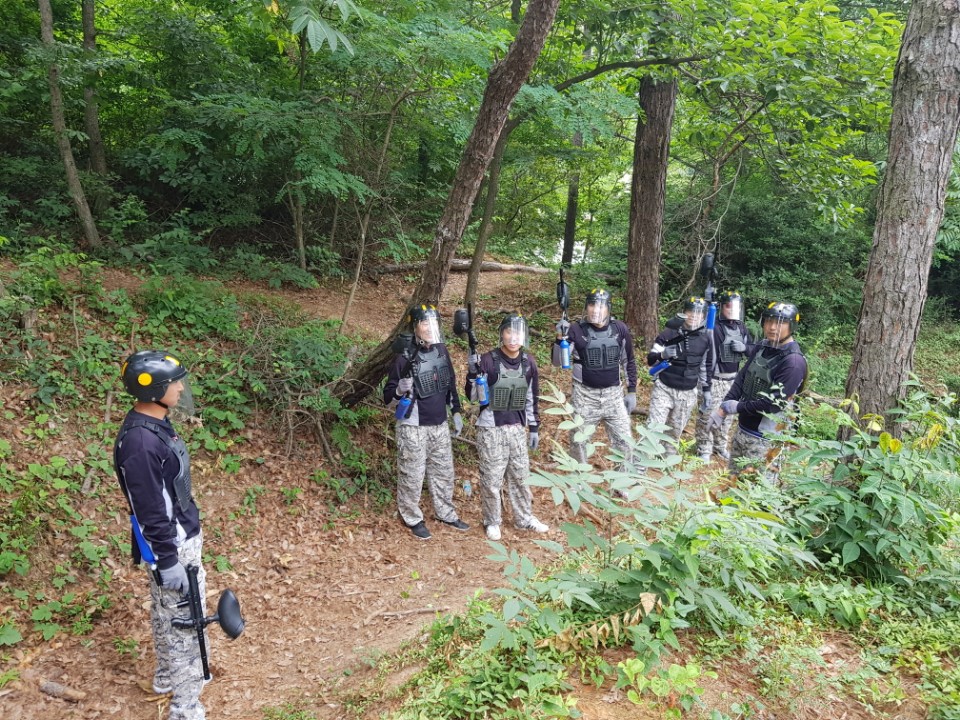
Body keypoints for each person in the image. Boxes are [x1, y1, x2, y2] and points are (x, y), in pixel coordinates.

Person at [113, 351, 209, 720]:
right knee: (186, 623)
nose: (181, 388)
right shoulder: (141, 444)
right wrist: (168, 561)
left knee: (166, 611)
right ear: (152, 390)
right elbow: (150, 509)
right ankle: (185, 707)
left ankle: (168, 675)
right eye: (174, 383)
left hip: (175, 540)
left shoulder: (154, 424)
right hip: (173, 547)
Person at [384, 305, 469, 540]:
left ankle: (445, 513)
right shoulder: (404, 357)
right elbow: (387, 398)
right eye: (424, 323)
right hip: (413, 426)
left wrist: (456, 411)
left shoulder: (441, 351)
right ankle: (412, 517)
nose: (430, 328)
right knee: (412, 475)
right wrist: (400, 390)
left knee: (444, 472)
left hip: (439, 424)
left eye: (433, 323)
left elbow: (450, 383)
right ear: (415, 327)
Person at [465, 313, 549, 541]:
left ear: (524, 336)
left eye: (518, 333)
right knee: (492, 479)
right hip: (491, 427)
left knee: (521, 477)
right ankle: (492, 521)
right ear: (501, 334)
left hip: (517, 427)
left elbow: (532, 397)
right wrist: (473, 373)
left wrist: (534, 427)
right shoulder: (488, 360)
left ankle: (524, 518)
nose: (513, 338)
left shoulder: (528, 362)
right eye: (509, 332)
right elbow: (473, 397)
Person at [709, 301, 807, 479]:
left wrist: (736, 407)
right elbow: (743, 377)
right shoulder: (763, 346)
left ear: (792, 326)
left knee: (755, 490)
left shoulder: (793, 362)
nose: (772, 327)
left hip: (766, 440)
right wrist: (724, 407)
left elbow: (773, 404)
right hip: (743, 430)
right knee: (732, 483)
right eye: (769, 321)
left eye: (780, 323)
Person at [553, 288, 638, 468]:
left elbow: (628, 360)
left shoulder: (619, 329)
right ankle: (579, 478)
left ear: (608, 308)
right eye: (592, 305)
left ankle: (622, 479)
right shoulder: (576, 330)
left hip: (614, 396)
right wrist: (560, 338)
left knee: (625, 441)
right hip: (585, 396)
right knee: (578, 443)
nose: (595, 310)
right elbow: (557, 361)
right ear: (586, 307)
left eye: (600, 306)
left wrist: (631, 391)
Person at [646, 297, 714, 449]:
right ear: (684, 313)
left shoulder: (706, 339)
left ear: (704, 316)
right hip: (664, 388)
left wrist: (706, 391)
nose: (693, 316)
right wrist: (662, 355)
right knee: (653, 429)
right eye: (690, 311)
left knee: (674, 434)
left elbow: (705, 367)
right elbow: (650, 359)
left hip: (688, 393)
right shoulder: (668, 333)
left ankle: (667, 460)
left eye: (698, 313)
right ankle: (643, 460)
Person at [695, 291, 753, 462]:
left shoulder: (741, 327)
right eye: (728, 306)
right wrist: (705, 385)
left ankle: (720, 446)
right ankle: (704, 448)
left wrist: (744, 348)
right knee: (707, 415)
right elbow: (703, 352)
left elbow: (754, 349)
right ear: (722, 307)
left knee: (728, 416)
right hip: (714, 378)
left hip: (733, 380)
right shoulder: (713, 326)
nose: (732, 310)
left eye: (736, 306)